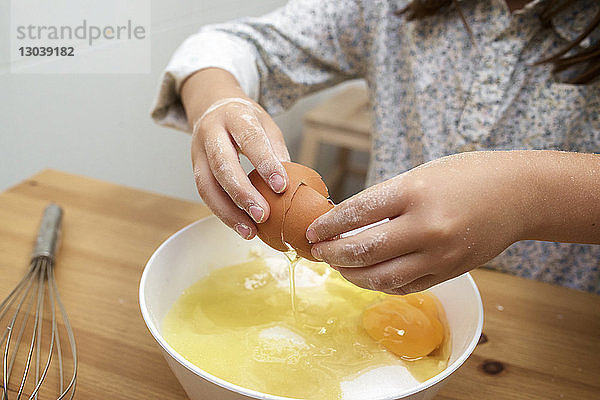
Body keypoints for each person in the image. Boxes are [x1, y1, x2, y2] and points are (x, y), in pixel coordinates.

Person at [151, 0, 600, 294]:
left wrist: (529, 197)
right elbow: (228, 45)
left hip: (559, 307)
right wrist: (216, 98)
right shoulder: (389, 8)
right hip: (381, 285)